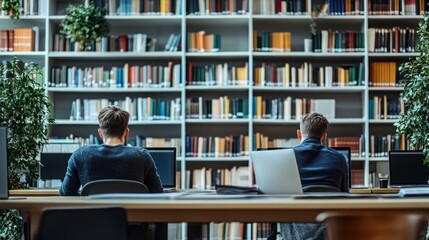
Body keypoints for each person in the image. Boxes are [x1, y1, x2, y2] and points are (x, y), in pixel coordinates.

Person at [60, 105, 164, 196]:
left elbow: (66, 193)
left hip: (91, 217)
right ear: (126, 132)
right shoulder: (142, 156)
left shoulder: (80, 155)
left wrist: (86, 198)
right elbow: (158, 195)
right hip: (133, 218)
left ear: (100, 133)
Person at [279, 112, 348, 240]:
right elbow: (345, 197)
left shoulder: (285, 158)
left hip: (295, 235)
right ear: (324, 137)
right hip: (329, 232)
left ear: (299, 134)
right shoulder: (339, 159)